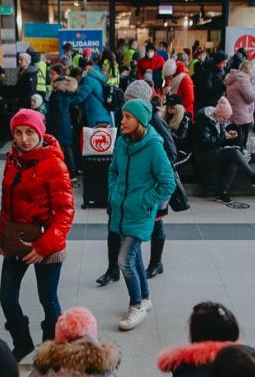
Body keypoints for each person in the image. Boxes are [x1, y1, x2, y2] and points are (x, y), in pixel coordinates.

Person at [0, 109, 74, 360]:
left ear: (40, 132)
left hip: (46, 241)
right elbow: (6, 203)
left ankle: (52, 350)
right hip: (16, 238)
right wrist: (0, 237)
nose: (24, 139)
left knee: (48, 299)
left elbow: (65, 212)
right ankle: (23, 343)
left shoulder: (54, 163)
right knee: (7, 297)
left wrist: (42, 246)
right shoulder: (13, 159)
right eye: (18, 133)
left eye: (30, 132)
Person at [97, 80, 176, 287]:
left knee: (155, 223)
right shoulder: (128, 123)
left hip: (148, 187)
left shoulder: (154, 123)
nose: (126, 107)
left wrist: (151, 177)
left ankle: (156, 263)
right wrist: (114, 188)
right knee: (114, 226)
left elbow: (170, 153)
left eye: (130, 101)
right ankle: (112, 268)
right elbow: (116, 161)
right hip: (126, 190)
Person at [108, 99, 176, 331]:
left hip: (141, 212)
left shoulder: (154, 146)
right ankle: (145, 298)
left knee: (124, 260)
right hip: (122, 209)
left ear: (141, 120)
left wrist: (147, 201)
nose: (122, 121)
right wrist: (114, 194)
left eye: (128, 117)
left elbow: (168, 183)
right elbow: (113, 170)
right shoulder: (122, 143)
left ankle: (135, 305)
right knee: (134, 257)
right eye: (122, 115)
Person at [193, 97, 255, 203]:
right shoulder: (204, 120)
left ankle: (221, 193)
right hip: (204, 155)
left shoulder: (218, 120)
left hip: (213, 152)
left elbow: (217, 138)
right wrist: (223, 137)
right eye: (225, 118)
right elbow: (204, 143)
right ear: (219, 115)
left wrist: (227, 135)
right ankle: (254, 178)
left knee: (233, 161)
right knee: (234, 152)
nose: (226, 121)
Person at [46, 64, 78, 178]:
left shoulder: (58, 91)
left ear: (59, 74)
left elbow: (56, 109)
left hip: (57, 123)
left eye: (52, 73)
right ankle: (71, 171)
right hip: (65, 121)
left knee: (61, 147)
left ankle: (65, 171)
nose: (50, 76)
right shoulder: (67, 90)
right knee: (66, 146)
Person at [224, 60, 255, 149]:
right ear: (249, 70)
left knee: (235, 141)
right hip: (242, 116)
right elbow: (251, 97)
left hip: (234, 114)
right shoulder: (243, 79)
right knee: (241, 144)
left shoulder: (233, 78)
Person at [69, 60, 112, 128]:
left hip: (97, 116)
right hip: (100, 115)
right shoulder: (94, 78)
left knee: (96, 137)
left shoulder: (89, 80)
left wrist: (68, 104)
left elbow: (80, 97)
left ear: (78, 76)